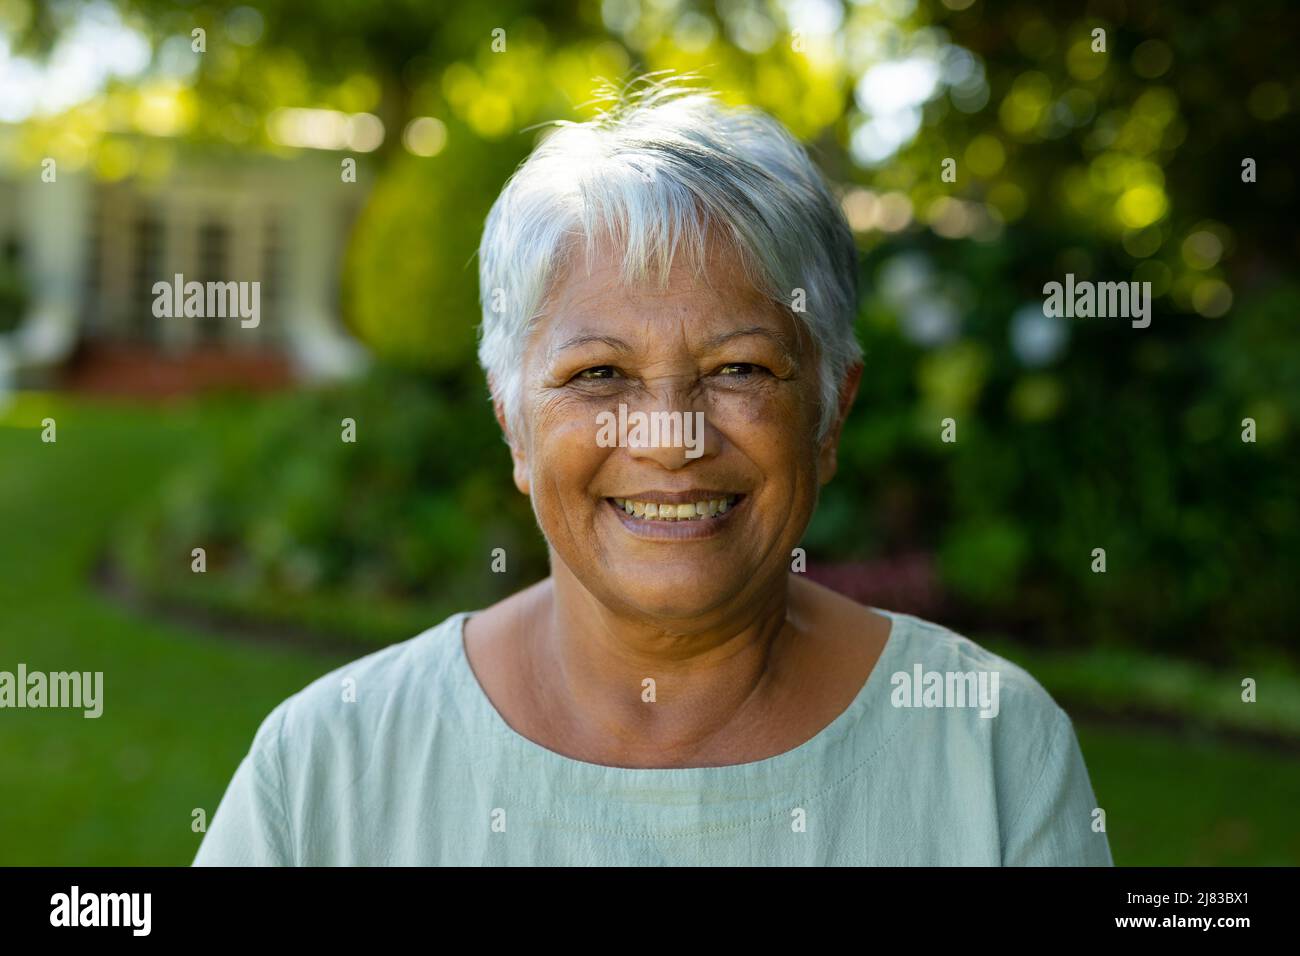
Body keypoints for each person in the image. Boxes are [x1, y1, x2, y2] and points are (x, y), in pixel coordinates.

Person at [194, 79, 1112, 866]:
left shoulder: (990, 750)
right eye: (598, 374)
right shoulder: (327, 768)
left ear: (831, 411)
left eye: (739, 370)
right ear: (512, 418)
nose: (671, 437)